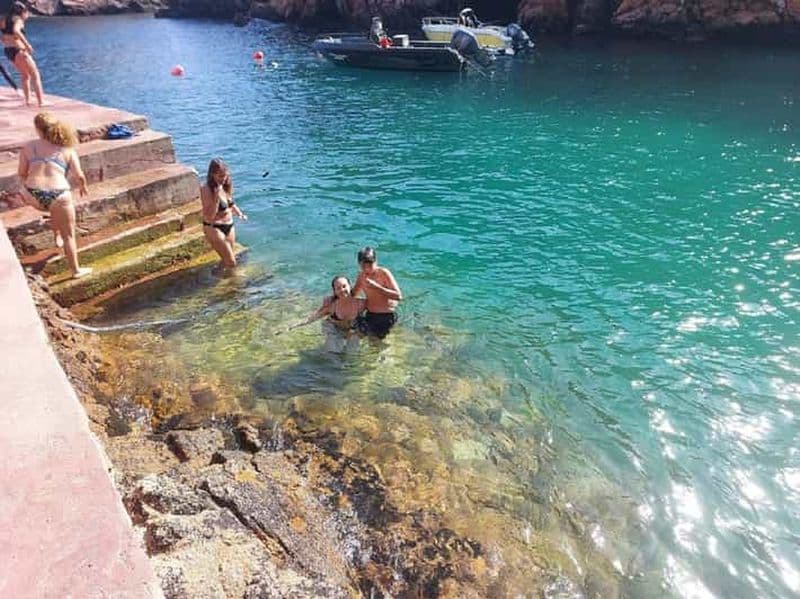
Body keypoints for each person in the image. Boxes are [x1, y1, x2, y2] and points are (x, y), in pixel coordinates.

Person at [18, 112, 92, 278]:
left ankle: (56, 233)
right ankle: (76, 271)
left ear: (37, 129)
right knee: (69, 235)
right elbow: (79, 175)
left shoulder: (29, 147)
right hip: (58, 195)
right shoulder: (67, 149)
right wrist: (83, 186)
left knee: (54, 210)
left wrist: (29, 186)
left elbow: (21, 173)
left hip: (32, 195)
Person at [284, 275, 366, 350]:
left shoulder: (360, 304)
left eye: (344, 286)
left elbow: (376, 309)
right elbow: (313, 318)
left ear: (350, 286)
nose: (342, 290)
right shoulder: (332, 306)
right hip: (335, 328)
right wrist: (292, 326)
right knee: (334, 350)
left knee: (352, 349)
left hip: (352, 330)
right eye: (338, 288)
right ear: (334, 291)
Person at [200, 158, 247, 268]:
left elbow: (230, 203)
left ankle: (219, 276)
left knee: (227, 259)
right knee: (231, 263)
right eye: (220, 176)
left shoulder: (225, 185)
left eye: (225, 175)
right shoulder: (206, 189)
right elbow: (210, 216)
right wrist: (216, 199)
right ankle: (234, 284)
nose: (224, 179)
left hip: (229, 226)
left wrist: (240, 213)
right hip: (214, 227)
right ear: (212, 174)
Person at [352, 246, 402, 339]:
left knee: (377, 344)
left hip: (386, 315)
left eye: (370, 266)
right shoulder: (361, 276)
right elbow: (354, 294)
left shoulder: (383, 273)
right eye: (363, 266)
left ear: (376, 262)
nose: (367, 269)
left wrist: (377, 287)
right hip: (370, 314)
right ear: (359, 264)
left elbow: (398, 296)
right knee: (354, 334)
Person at [2, 2, 46, 107]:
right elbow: (16, 31)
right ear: (23, 12)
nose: (27, 16)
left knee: (25, 75)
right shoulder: (18, 20)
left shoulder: (5, 20)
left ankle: (28, 101)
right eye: (27, 13)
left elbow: (4, 34)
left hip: (8, 50)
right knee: (35, 74)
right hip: (19, 50)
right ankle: (41, 102)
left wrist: (4, 40)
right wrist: (27, 45)